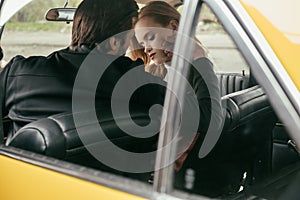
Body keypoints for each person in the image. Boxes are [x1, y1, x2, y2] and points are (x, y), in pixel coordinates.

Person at [0, 0, 165, 138]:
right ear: (115, 42)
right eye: (131, 38)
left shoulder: (17, 72)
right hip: (101, 176)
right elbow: (180, 109)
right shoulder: (134, 80)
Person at [132, 1, 224, 195]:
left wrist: (200, 58)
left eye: (151, 37)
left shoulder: (197, 66)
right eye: (142, 43)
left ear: (173, 28)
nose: (147, 48)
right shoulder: (154, 72)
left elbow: (211, 120)